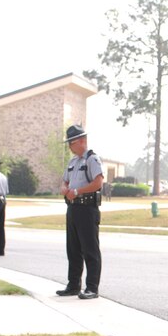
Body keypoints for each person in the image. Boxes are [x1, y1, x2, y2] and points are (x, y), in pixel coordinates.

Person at [56, 125, 104, 300]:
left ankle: (92, 287)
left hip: (87, 208)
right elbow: (65, 181)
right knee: (73, 248)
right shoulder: (73, 162)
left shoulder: (92, 159)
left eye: (72, 142)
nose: (70, 146)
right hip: (73, 208)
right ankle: (73, 284)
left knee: (90, 248)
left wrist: (78, 191)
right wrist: (65, 188)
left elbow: (98, 183)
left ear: (82, 141)